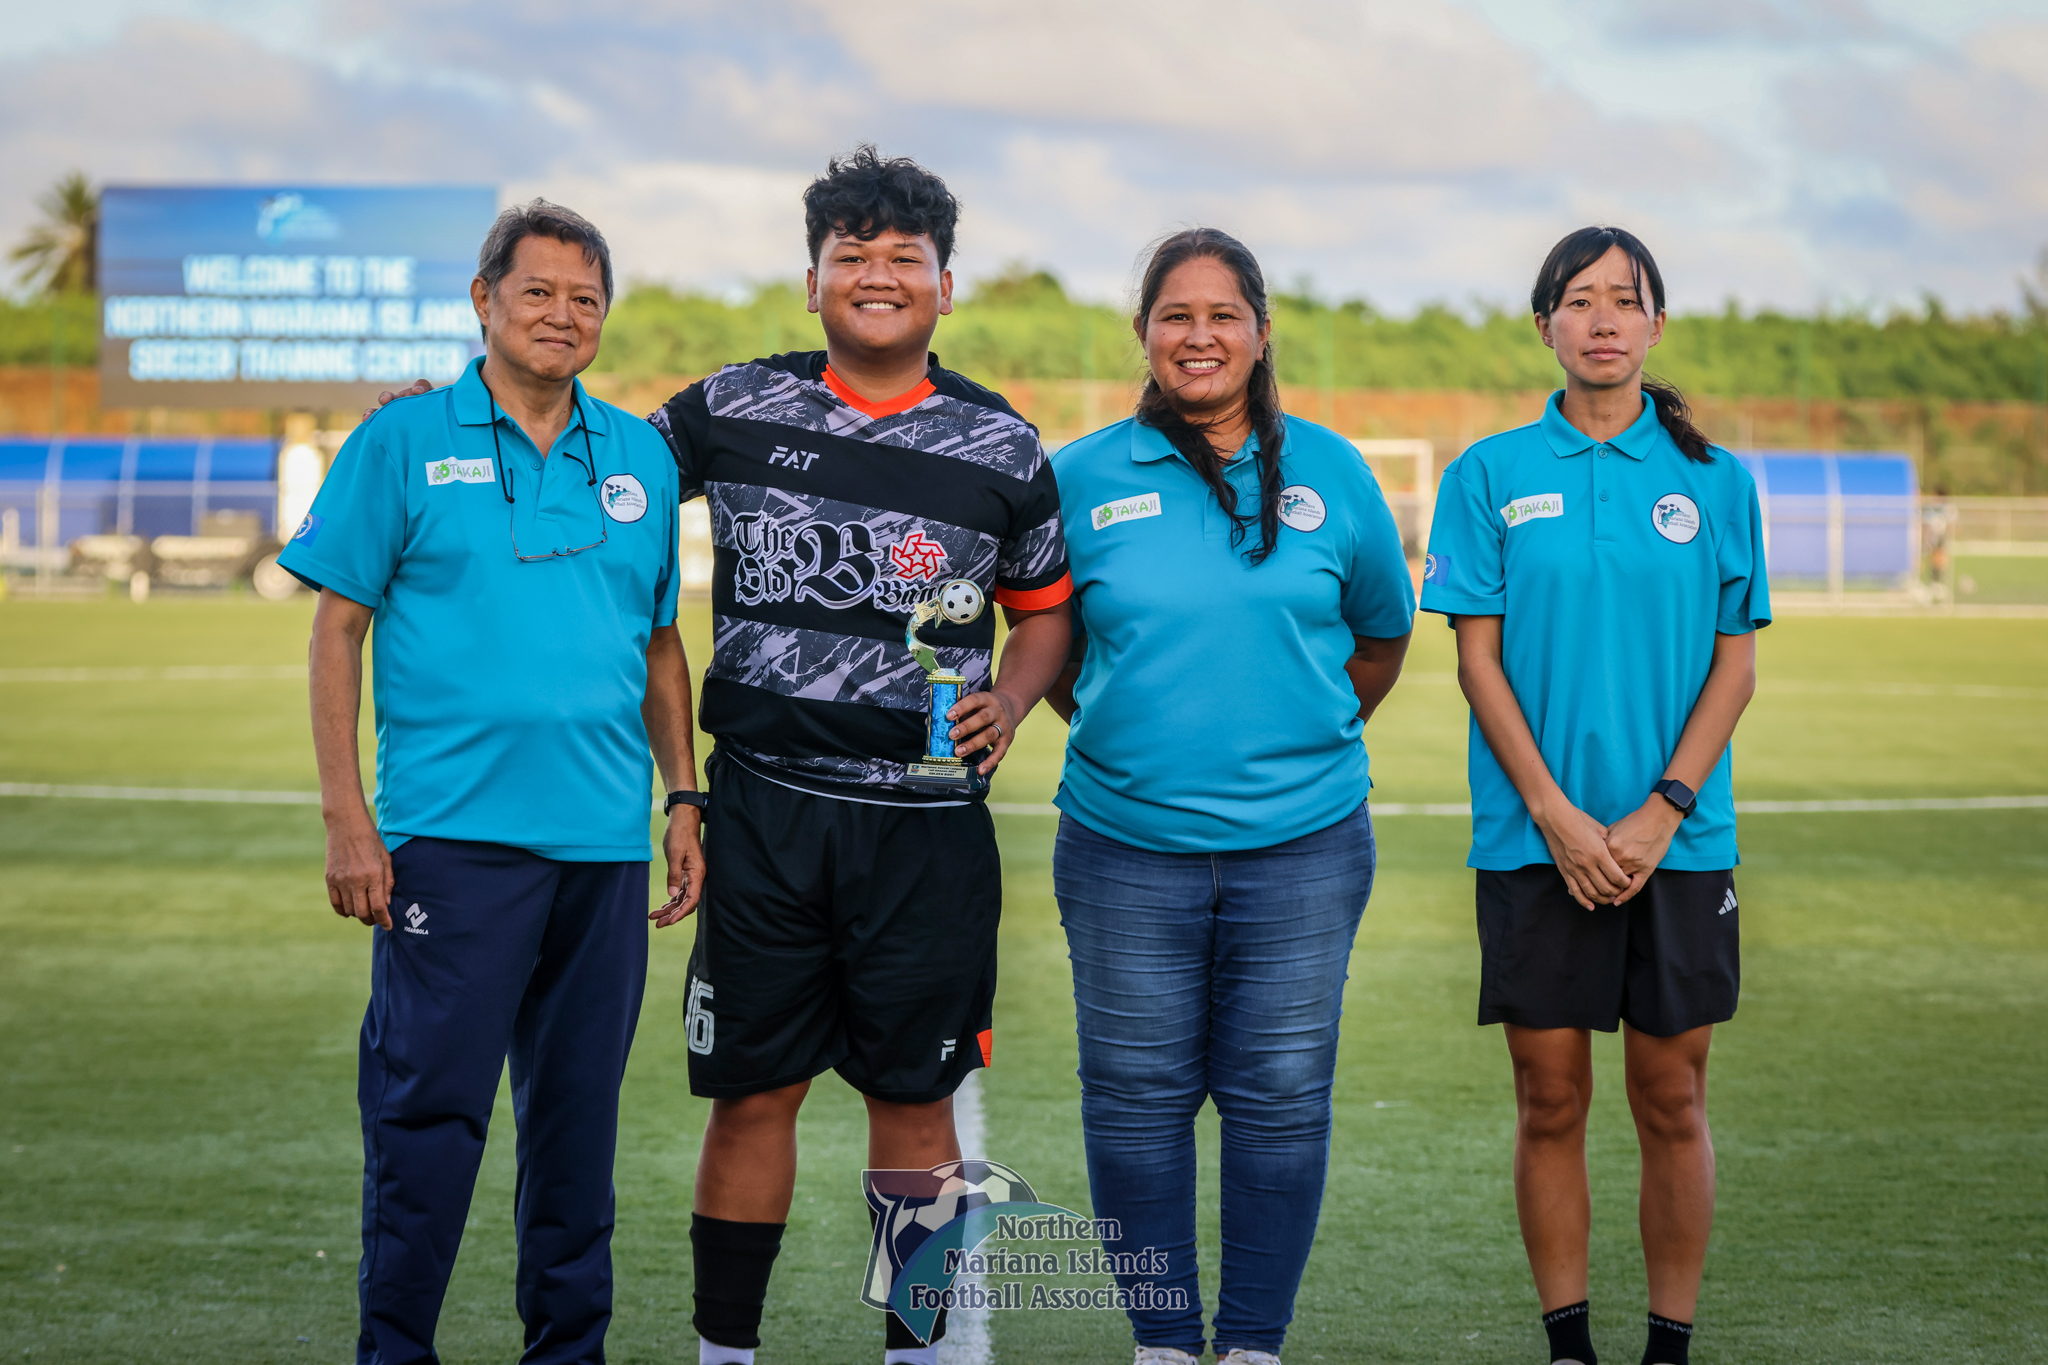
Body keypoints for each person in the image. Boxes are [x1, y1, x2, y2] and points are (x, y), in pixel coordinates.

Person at [652, 147, 1072, 1365]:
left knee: (914, 1099)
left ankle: (916, 1354)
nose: (877, 276)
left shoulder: (998, 444)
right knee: (753, 1094)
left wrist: (1011, 687)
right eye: (853, 258)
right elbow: (603, 483)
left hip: (925, 823)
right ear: (811, 280)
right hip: (765, 812)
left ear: (947, 285)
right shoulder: (731, 407)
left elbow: (1044, 608)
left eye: (904, 260)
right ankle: (723, 1354)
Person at [282, 200, 702, 1365]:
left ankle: (567, 1354)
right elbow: (336, 631)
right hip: (450, 849)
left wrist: (682, 796)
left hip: (603, 856)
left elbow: (660, 645)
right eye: (538, 292)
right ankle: (394, 1351)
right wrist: (347, 821)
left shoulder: (639, 459)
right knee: (427, 1126)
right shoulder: (403, 441)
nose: (561, 315)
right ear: (484, 301)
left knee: (575, 1136)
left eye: (584, 299)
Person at [1044, 227, 1415, 1365]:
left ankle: (1250, 1345)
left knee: (1279, 1102)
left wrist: (1289, 740)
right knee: (1134, 1104)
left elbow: (1379, 641)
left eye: (1220, 316)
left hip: (1300, 851)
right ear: (1144, 335)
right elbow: (1052, 655)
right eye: (1173, 316)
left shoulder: (1333, 471)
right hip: (1122, 849)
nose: (1196, 336)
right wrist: (1137, 738)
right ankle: (1163, 1345)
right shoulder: (1082, 475)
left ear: (1260, 334)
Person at [1418, 226, 1770, 1365]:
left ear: (1654, 325)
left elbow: (1734, 663)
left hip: (1681, 837)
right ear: (1545, 327)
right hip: (1534, 843)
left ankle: (1666, 1346)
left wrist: (1661, 809)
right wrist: (1559, 820)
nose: (1603, 319)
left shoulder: (1715, 482)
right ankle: (1567, 1347)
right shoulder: (1487, 476)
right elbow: (1476, 662)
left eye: (1624, 301)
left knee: (1670, 1099)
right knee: (1549, 1097)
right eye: (1579, 300)